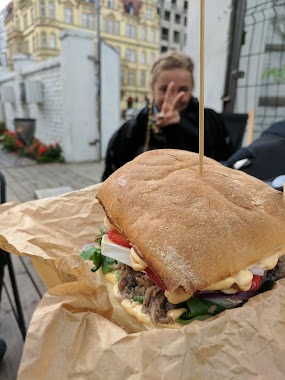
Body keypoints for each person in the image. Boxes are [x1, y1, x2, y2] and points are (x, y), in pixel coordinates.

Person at [102, 51, 234, 180]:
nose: (173, 97)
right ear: (152, 88)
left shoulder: (210, 123)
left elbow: (223, 170)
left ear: (192, 88)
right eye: (164, 89)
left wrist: (178, 129)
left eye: (183, 90)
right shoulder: (130, 130)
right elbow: (110, 179)